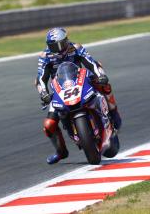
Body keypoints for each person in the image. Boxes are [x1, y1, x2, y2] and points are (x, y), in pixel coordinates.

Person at [35, 27, 122, 164]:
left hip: (81, 81)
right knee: (49, 124)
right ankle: (60, 152)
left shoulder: (75, 48)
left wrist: (101, 75)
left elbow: (91, 63)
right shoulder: (45, 56)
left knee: (104, 85)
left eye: (59, 44)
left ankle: (114, 113)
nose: (57, 48)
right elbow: (41, 78)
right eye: (53, 46)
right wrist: (44, 93)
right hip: (60, 90)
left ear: (66, 41)